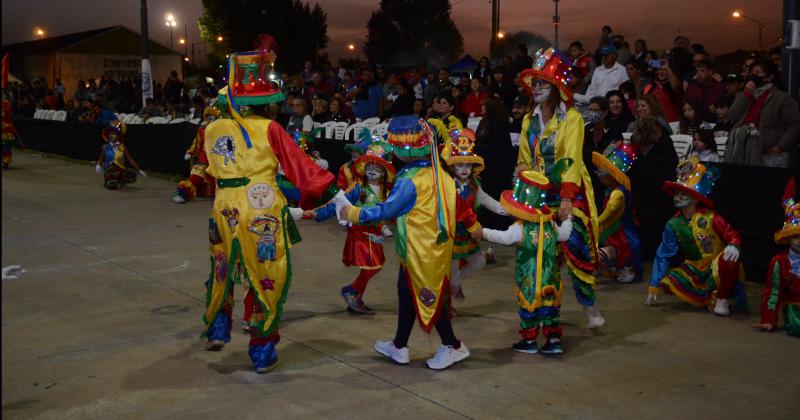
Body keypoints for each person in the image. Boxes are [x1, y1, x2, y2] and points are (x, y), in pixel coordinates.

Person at [201, 43, 342, 374]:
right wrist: (333, 190)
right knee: (267, 274)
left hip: (223, 206)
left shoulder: (211, 129)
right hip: (260, 205)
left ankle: (219, 326)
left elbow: (210, 169)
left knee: (223, 265)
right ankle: (262, 349)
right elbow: (302, 171)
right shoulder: (271, 129)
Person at [339, 116, 481, 370]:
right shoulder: (439, 171)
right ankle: (399, 345)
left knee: (430, 299)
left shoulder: (411, 180)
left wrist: (353, 213)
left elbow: (387, 210)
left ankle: (453, 346)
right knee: (406, 292)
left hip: (422, 251)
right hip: (427, 249)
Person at [516, 47, 605, 329]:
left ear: (555, 87)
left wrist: (567, 199)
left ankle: (589, 305)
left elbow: (572, 162)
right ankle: (543, 310)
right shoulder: (528, 120)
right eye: (534, 83)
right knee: (541, 256)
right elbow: (523, 160)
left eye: (542, 83)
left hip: (571, 191)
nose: (537, 88)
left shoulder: (572, 119)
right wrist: (521, 181)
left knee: (578, 251)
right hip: (538, 194)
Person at [475, 171, 574, 354]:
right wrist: (568, 218)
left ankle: (529, 341)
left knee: (529, 307)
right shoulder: (550, 225)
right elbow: (565, 234)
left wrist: (484, 232)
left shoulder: (520, 227)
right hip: (550, 278)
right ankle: (553, 340)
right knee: (549, 307)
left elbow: (504, 238)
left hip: (528, 278)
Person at [305, 139, 396, 314]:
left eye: (377, 168)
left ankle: (356, 300)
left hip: (376, 233)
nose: (372, 171)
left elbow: (394, 211)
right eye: (369, 167)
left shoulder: (388, 191)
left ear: (384, 171)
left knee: (371, 266)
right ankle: (351, 290)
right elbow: (337, 203)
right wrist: (316, 213)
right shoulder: (358, 188)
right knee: (374, 266)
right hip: (361, 233)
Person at [646, 157, 745, 317]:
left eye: (683, 193)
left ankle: (721, 298)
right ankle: (706, 295)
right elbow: (664, 253)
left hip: (716, 265)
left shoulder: (711, 217)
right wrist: (654, 284)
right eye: (676, 192)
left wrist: (734, 244)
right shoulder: (673, 224)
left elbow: (731, 233)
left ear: (695, 197)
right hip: (694, 267)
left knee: (729, 259)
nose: (677, 197)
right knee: (668, 283)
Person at [444, 128, 506, 304]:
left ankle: (455, 284)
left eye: (468, 165)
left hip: (468, 234)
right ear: (452, 166)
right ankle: (446, 310)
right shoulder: (447, 184)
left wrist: (508, 210)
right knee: (451, 270)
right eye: (460, 165)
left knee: (479, 261)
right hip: (450, 234)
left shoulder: (473, 184)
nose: (464, 169)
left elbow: (487, 201)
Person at [726, 58, 800, 168]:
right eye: (751, 73)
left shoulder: (781, 98)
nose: (753, 77)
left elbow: (796, 123)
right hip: (740, 150)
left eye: (757, 73)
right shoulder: (744, 95)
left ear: (769, 77)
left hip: (767, 154)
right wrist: (745, 95)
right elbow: (733, 116)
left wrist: (780, 146)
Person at [592, 143, 642, 283]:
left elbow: (608, 214)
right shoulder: (610, 190)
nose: (599, 176)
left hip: (622, 234)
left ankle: (625, 268)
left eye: (602, 173)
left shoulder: (618, 194)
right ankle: (614, 266)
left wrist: (594, 223)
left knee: (599, 253)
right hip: (613, 231)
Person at [755, 198, 800, 337]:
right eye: (796, 237)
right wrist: (769, 320)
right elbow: (773, 292)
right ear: (788, 238)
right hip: (794, 306)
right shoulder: (780, 262)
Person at [172, 107, 220, 203]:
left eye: (212, 117)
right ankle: (183, 194)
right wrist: (190, 152)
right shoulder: (202, 129)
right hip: (203, 159)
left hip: (217, 159)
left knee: (215, 180)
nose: (210, 119)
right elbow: (197, 143)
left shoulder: (221, 129)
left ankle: (218, 196)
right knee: (196, 177)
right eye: (208, 117)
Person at [95, 120, 147, 190]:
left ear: (118, 136)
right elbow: (101, 158)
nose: (111, 136)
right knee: (112, 184)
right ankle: (111, 181)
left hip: (120, 170)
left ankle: (120, 180)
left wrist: (139, 170)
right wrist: (98, 166)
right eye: (110, 134)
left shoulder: (122, 147)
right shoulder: (104, 147)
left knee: (131, 175)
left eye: (114, 134)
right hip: (109, 171)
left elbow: (130, 158)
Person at [642, 58, 682, 122]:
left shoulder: (671, 84)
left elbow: (676, 87)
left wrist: (668, 68)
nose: (661, 72)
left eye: (664, 70)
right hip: (655, 120)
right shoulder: (651, 85)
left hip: (671, 119)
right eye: (659, 70)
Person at [2, 99, 23, 169]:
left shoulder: (6, 105)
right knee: (6, 147)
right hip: (7, 130)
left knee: (6, 147)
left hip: (6, 130)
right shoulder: (6, 106)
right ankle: (5, 162)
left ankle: (5, 162)